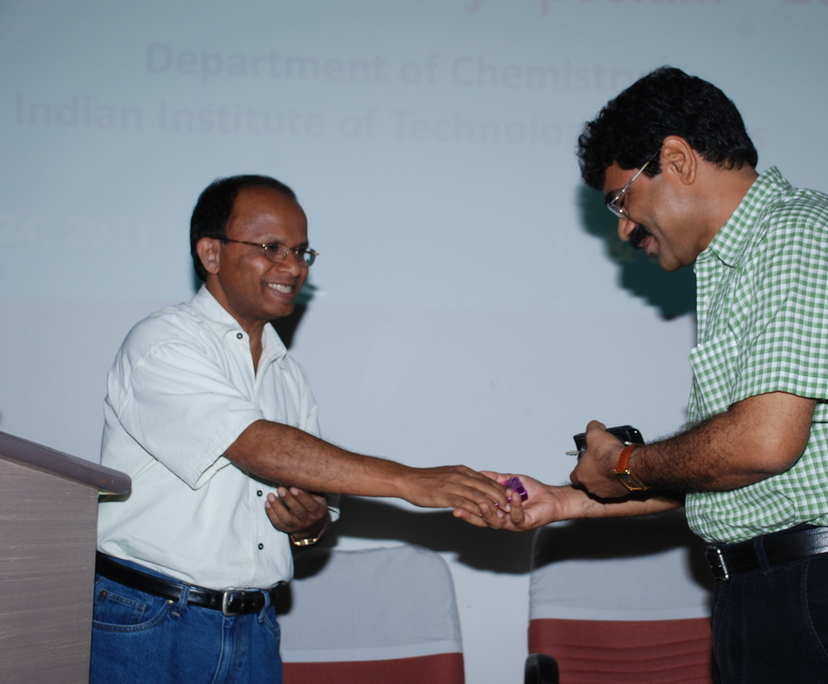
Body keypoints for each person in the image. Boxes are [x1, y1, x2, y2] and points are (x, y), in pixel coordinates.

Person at [475, 67, 828, 683]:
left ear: (676, 159)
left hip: (825, 595)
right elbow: (732, 474)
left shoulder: (797, 234)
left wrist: (623, 464)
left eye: (621, 200)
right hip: (794, 596)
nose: (623, 228)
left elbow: (760, 444)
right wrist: (566, 500)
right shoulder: (743, 262)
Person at [92, 174, 513, 684]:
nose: (292, 267)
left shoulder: (287, 374)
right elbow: (255, 445)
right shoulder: (162, 343)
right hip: (152, 620)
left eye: (301, 252)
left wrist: (308, 524)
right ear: (211, 253)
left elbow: (313, 518)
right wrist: (410, 481)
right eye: (271, 248)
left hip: (254, 625)